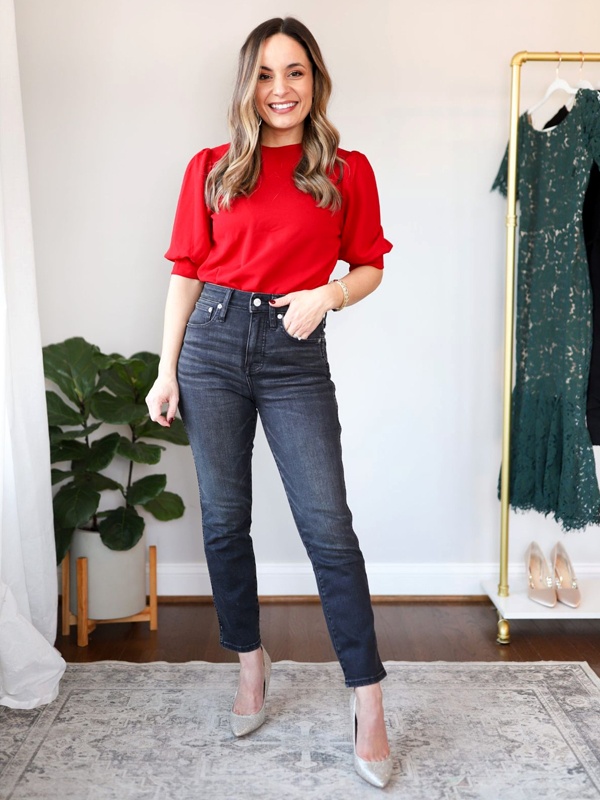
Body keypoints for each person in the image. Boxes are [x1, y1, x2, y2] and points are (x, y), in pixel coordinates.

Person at [145, 16, 393, 788]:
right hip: (213, 343)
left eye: (295, 73)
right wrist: (166, 370)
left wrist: (327, 296)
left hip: (294, 349)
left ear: (314, 81)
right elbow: (186, 270)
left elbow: (373, 265)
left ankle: (370, 698)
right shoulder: (212, 168)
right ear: (247, 84)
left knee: (328, 526)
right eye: (265, 74)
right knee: (223, 519)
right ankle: (251, 660)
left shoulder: (346, 170)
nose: (280, 89)